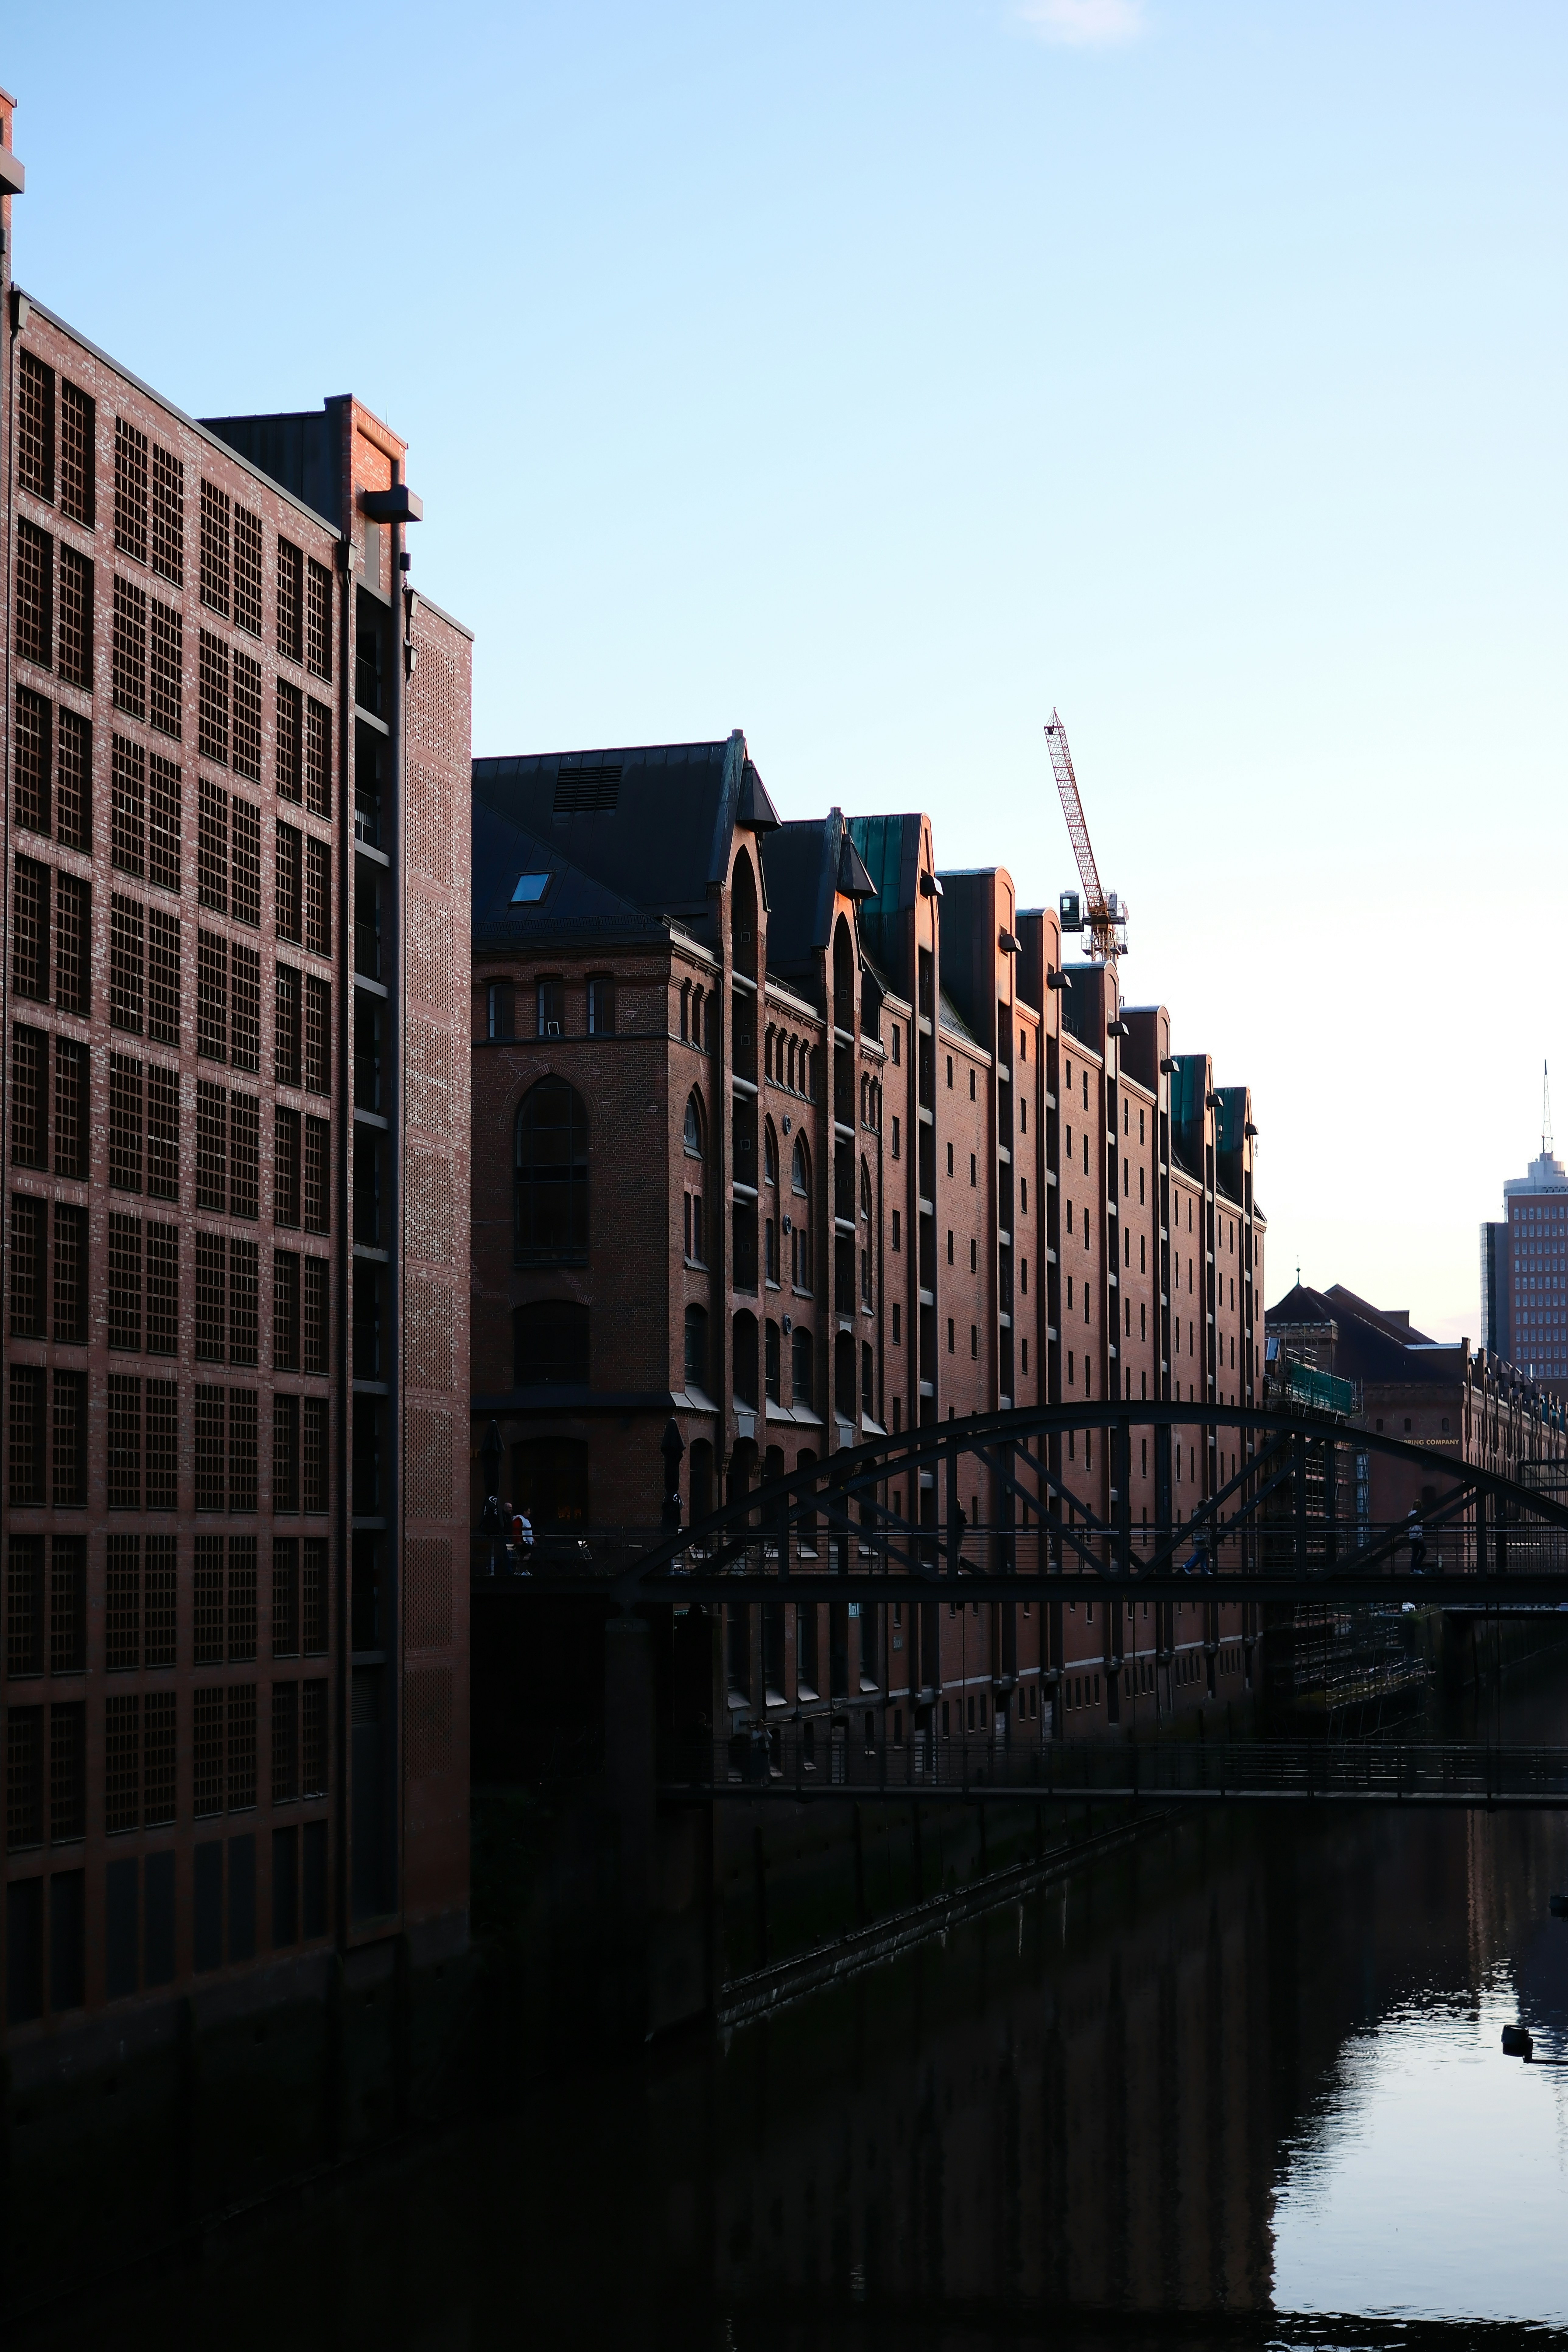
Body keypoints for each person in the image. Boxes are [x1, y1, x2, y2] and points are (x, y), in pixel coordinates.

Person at [1408, 1508, 1426, 1576]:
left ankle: (1413, 1570)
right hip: (1417, 1536)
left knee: (1415, 1553)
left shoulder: (1411, 1514)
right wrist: (1420, 1536)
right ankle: (1416, 1568)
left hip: (1412, 1536)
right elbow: (1417, 1527)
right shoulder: (1417, 1515)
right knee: (1424, 1551)